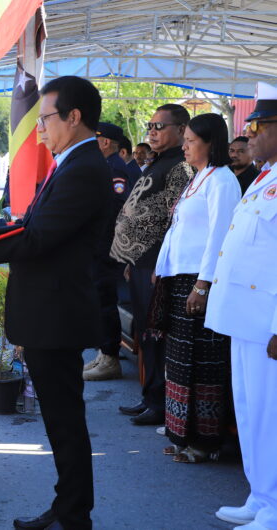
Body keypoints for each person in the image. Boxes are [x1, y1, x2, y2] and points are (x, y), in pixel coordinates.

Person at [0, 76, 110, 530]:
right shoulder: (72, 163)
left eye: (46, 118)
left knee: (65, 421)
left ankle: (74, 516)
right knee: (59, 420)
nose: (41, 130)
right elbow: (25, 223)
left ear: (74, 116)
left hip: (57, 316)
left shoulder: (85, 168)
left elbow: (36, 236)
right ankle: (67, 506)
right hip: (48, 313)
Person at [206, 82, 277, 530]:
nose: (249, 134)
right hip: (242, 318)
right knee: (250, 410)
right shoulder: (265, 177)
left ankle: (274, 509)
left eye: (259, 126)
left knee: (270, 416)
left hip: (266, 323)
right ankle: (260, 495)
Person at [153, 113, 239, 464]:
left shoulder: (222, 181)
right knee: (179, 362)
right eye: (184, 139)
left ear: (210, 143)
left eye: (190, 140)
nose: (184, 145)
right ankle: (181, 433)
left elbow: (219, 237)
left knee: (202, 363)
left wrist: (203, 285)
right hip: (180, 281)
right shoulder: (198, 178)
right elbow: (177, 230)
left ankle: (204, 441)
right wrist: (161, 269)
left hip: (200, 282)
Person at [111, 104, 193, 426]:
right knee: (145, 333)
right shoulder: (158, 163)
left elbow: (170, 221)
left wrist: (155, 262)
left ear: (181, 129)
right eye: (151, 125)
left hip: (158, 265)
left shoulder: (181, 168)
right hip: (141, 263)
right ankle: (149, 396)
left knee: (156, 335)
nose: (152, 131)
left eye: (160, 126)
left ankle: (159, 402)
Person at [84, 122, 132, 381]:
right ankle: (105, 353)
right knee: (100, 299)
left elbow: (115, 207)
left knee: (105, 301)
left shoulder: (115, 168)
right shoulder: (107, 166)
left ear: (104, 142)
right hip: (102, 245)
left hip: (108, 246)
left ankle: (111, 357)